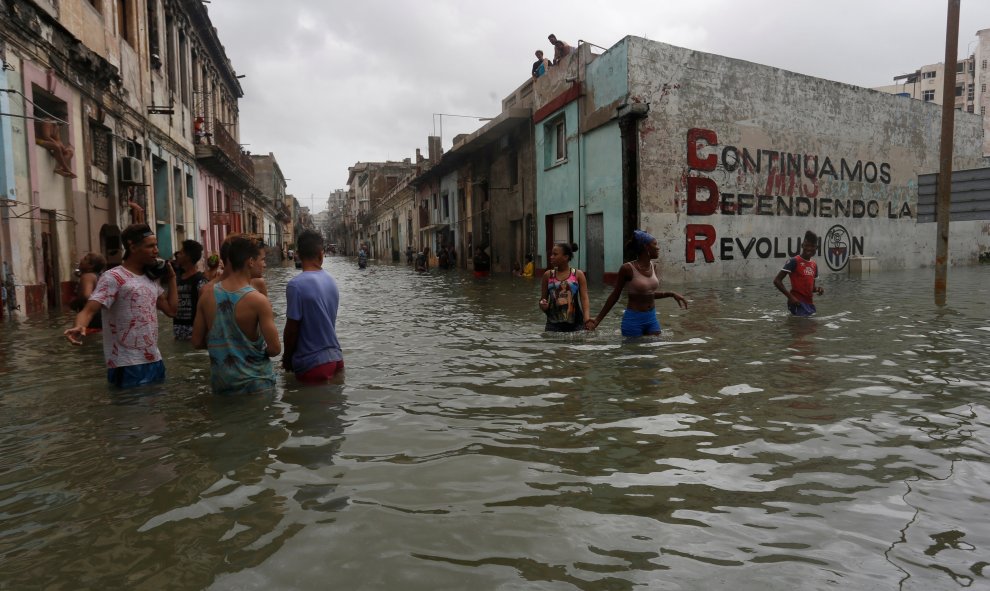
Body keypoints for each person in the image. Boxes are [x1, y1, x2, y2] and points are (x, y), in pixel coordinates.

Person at [64, 224, 178, 388]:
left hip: (155, 359)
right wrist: (79, 326)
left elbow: (171, 311)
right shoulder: (113, 277)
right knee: (129, 411)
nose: (156, 251)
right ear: (132, 246)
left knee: (156, 411)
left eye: (156, 245)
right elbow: (89, 309)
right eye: (150, 246)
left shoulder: (151, 278)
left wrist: (172, 278)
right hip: (126, 363)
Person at [192, 235, 279, 395]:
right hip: (257, 384)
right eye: (262, 259)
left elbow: (197, 342)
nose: (264, 264)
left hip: (223, 384)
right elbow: (274, 348)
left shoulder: (206, 295)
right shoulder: (258, 300)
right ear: (250, 261)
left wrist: (226, 348)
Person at [589, 230, 688, 337]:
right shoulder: (627, 268)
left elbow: (648, 294)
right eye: (655, 244)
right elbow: (615, 295)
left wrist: (671, 294)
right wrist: (597, 320)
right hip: (633, 320)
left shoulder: (653, 266)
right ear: (646, 247)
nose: (658, 248)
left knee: (653, 350)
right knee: (633, 351)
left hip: (651, 319)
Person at [282, 230, 344, 383]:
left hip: (312, 364)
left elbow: (292, 328)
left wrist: (287, 358)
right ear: (321, 255)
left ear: (297, 255)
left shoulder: (295, 285)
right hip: (336, 359)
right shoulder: (331, 280)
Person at [539, 242, 592, 332]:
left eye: (555, 254)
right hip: (553, 325)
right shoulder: (548, 275)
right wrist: (543, 305)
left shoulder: (578, 275)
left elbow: (584, 299)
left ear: (565, 257)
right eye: (551, 254)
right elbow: (543, 299)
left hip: (576, 325)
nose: (551, 257)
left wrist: (587, 320)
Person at [774, 230, 825, 317]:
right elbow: (777, 281)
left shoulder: (814, 265)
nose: (809, 249)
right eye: (807, 245)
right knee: (803, 327)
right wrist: (791, 297)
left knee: (811, 328)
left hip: (809, 304)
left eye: (812, 246)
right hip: (797, 303)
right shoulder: (794, 261)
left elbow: (811, 288)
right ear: (802, 246)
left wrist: (817, 289)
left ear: (816, 248)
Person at [172, 239, 207, 340]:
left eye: (181, 253)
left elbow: (205, 307)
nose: (177, 255)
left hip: (195, 331)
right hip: (177, 331)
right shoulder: (176, 278)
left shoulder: (200, 281)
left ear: (188, 257)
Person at [70, 252, 106, 334]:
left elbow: (86, 296)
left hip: (90, 318)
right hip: (100, 316)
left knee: (79, 338)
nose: (81, 259)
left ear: (91, 266)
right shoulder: (98, 276)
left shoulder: (87, 276)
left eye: (85, 259)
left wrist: (74, 302)